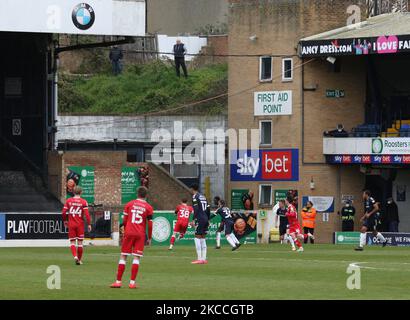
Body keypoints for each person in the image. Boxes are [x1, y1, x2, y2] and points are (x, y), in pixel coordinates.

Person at [110, 186, 153, 289]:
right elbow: (150, 224)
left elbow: (125, 221)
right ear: (146, 195)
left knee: (123, 256)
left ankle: (118, 282)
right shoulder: (148, 207)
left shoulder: (129, 204)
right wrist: (150, 237)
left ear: (137, 193)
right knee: (136, 257)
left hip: (129, 232)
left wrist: (125, 229)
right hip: (140, 234)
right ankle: (132, 283)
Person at [62, 186, 92, 265]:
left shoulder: (69, 201)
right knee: (80, 243)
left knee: (72, 242)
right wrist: (89, 224)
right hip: (80, 225)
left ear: (73, 192)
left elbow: (64, 212)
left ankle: (75, 256)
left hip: (71, 224)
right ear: (81, 192)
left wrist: (65, 221)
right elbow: (87, 215)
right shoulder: (83, 202)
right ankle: (79, 259)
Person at [190, 184, 210, 264]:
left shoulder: (195, 196)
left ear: (192, 189)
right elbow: (208, 208)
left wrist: (193, 219)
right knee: (202, 237)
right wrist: (208, 219)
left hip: (200, 218)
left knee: (197, 237)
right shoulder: (203, 196)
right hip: (205, 218)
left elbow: (196, 208)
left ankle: (199, 259)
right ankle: (204, 259)